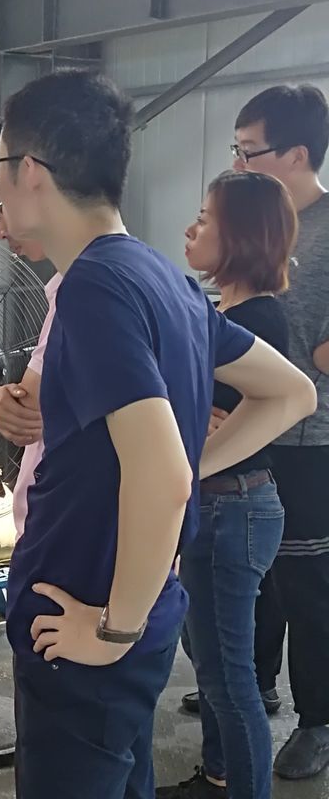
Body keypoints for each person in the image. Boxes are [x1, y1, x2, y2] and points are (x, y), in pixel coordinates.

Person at [0, 69, 316, 799]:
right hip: (133, 605)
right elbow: (291, 393)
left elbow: (163, 475)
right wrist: (194, 463)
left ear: (31, 171)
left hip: (83, 614)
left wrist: (112, 628)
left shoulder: (94, 286)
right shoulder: (160, 276)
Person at [158, 171, 296, 799]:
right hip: (220, 505)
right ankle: (218, 774)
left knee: (229, 677)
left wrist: (194, 421)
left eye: (205, 218)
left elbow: (231, 417)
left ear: (241, 235)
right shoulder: (222, 314)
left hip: (234, 506)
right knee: (209, 657)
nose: (191, 229)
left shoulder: (258, 318)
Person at [228, 83, 329, 781]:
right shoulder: (257, 224)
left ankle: (317, 720)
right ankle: (255, 686)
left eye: (249, 152)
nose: (238, 166)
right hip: (250, 427)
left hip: (312, 439)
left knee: (306, 583)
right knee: (253, 573)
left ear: (296, 154)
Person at [0, 123, 55, 541]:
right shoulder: (63, 292)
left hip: (69, 556)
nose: (0, 230)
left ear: (32, 174)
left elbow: (167, 476)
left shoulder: (92, 296)